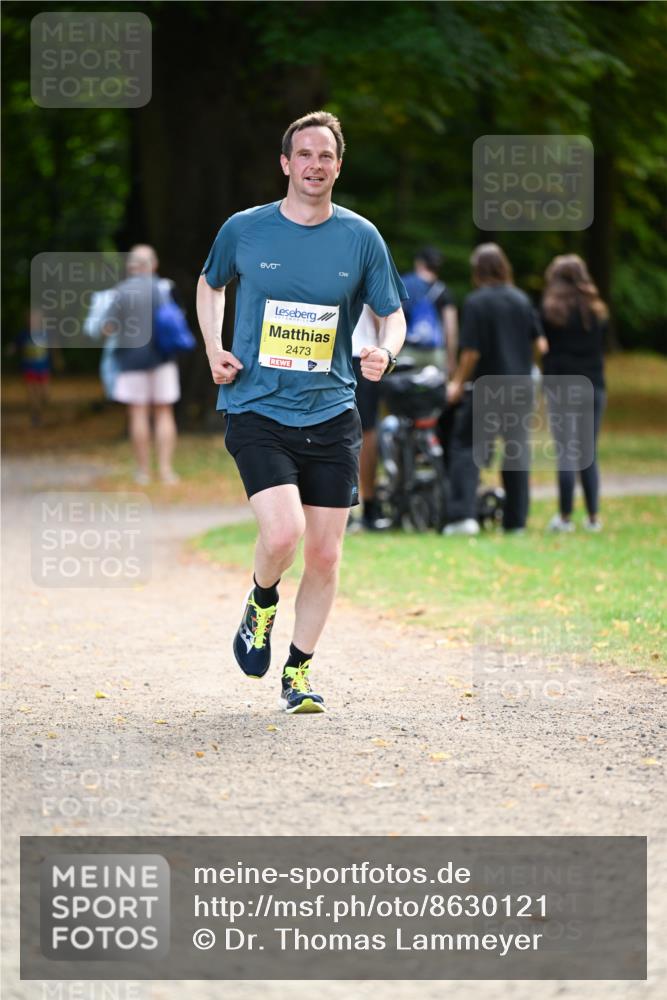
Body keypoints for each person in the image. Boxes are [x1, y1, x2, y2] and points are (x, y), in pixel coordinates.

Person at [196, 110, 406, 714]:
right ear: (285, 163)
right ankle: (262, 600)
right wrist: (215, 346)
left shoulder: (361, 237)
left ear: (339, 166)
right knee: (283, 533)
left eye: (326, 157)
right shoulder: (245, 229)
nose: (315, 166)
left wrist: (384, 353)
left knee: (325, 553)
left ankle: (299, 671)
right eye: (304, 155)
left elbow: (392, 314)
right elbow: (211, 284)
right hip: (258, 406)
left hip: (332, 410)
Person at [445, 243, 543, 535]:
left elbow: (471, 352)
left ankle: (463, 517)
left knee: (467, 447)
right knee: (515, 451)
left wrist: (457, 384)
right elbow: (541, 345)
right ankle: (516, 522)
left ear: (478, 271)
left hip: (487, 387)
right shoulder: (521, 300)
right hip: (520, 388)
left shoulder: (477, 302)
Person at [540, 254, 608, 533]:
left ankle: (565, 517)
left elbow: (542, 348)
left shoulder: (549, 311)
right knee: (588, 452)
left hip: (561, 385)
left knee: (566, 452)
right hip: (593, 385)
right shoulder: (597, 310)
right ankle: (593, 518)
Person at [103, 245, 181, 485]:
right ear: (153, 265)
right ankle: (167, 471)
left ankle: (143, 472)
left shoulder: (121, 292)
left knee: (138, 413)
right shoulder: (165, 287)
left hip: (130, 359)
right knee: (164, 412)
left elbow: (108, 328)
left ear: (131, 266)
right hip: (163, 358)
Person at [351, 305, 391, 530]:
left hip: (327, 352)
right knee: (367, 431)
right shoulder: (367, 267)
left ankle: (337, 504)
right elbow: (382, 314)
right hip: (363, 352)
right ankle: (369, 504)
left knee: (328, 428)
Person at [401, 246, 458, 376]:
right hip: (435, 353)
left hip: (407, 351)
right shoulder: (444, 290)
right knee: (434, 393)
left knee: (403, 391)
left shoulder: (403, 284)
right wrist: (451, 359)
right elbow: (451, 329)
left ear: (419, 263)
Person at [16, 309, 51, 426]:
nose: (32, 321)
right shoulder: (23, 334)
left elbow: (54, 347)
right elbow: (16, 346)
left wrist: (58, 360)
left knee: (45, 395)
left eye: (35, 319)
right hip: (29, 369)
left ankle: (40, 411)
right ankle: (35, 416)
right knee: (32, 394)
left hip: (43, 369)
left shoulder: (45, 333)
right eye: (30, 319)